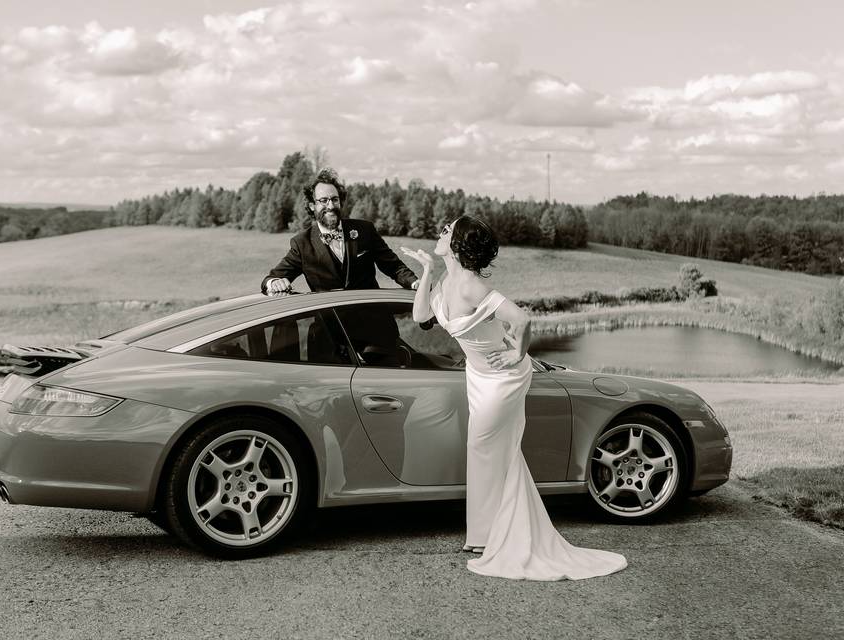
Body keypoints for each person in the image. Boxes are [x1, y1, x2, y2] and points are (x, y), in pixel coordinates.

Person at [401, 216, 627, 581]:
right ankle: (484, 536)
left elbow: (521, 321)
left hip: (502, 377)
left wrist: (517, 356)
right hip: (478, 376)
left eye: (446, 230)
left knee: (481, 445)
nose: (439, 233)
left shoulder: (472, 287)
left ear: (458, 244)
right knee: (492, 452)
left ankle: (491, 536)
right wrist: (427, 270)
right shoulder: (446, 279)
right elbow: (421, 314)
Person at [261, 168, 419, 294]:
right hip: (329, 330)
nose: (330, 206)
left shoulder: (365, 230)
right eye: (323, 200)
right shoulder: (302, 244)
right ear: (311, 206)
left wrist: (415, 282)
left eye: (334, 199)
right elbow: (272, 278)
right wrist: (274, 282)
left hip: (374, 325)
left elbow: (394, 267)